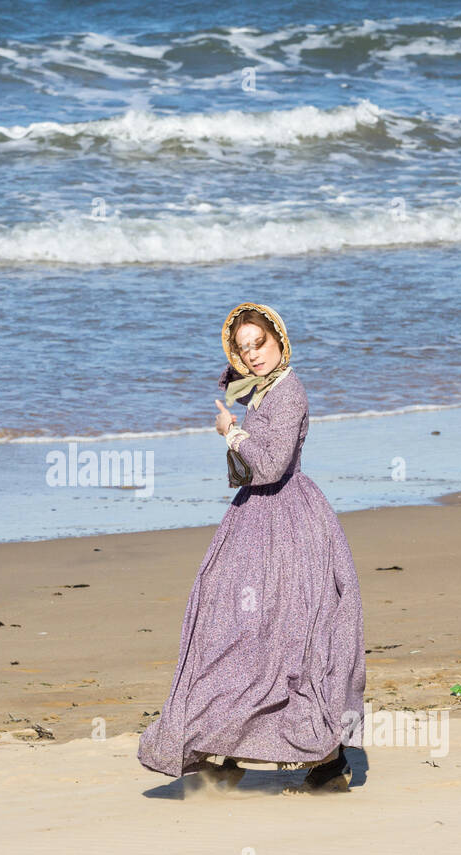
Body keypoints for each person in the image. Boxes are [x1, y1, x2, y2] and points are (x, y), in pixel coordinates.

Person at [136, 302, 366, 793]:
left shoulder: (289, 392)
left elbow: (269, 465)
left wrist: (230, 432)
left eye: (259, 343)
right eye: (243, 349)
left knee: (281, 635)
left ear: (280, 340)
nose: (252, 355)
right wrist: (238, 407)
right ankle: (230, 747)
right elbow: (248, 457)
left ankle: (325, 757)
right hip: (255, 517)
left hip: (287, 520)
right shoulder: (261, 392)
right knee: (233, 630)